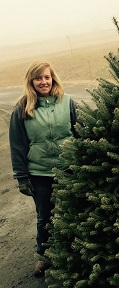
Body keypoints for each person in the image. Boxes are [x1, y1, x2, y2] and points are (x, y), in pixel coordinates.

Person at [9, 61, 79, 277]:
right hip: (40, 173)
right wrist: (22, 177)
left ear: (53, 78)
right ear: (31, 82)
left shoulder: (67, 103)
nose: (43, 82)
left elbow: (80, 134)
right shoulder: (22, 109)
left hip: (69, 168)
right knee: (45, 215)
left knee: (74, 211)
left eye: (47, 77)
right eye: (38, 78)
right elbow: (18, 145)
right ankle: (44, 255)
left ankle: (75, 252)